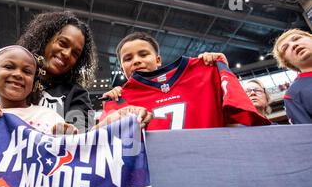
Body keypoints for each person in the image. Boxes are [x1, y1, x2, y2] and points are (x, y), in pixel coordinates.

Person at [0, 11, 98, 134]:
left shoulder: (78, 93)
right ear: (45, 39)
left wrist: (70, 134)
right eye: (62, 43)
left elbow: (84, 136)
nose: (66, 54)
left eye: (75, 53)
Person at [100, 32, 271, 130]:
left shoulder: (208, 68)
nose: (136, 60)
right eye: (128, 58)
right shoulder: (118, 97)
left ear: (158, 59)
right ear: (121, 69)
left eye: (143, 54)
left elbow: (240, 117)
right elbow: (99, 140)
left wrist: (218, 69)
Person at [0, 45, 77, 136]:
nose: (18, 74)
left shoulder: (50, 117)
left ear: (33, 83)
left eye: (27, 71)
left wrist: (68, 140)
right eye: (9, 67)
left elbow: (65, 156)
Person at [273, 28, 312, 124]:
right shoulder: (293, 95)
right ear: (287, 62)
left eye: (297, 38)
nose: (294, 45)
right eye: (285, 48)